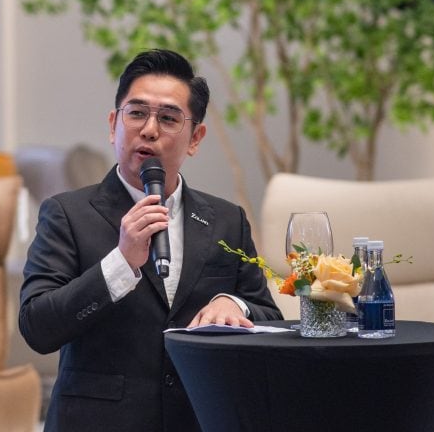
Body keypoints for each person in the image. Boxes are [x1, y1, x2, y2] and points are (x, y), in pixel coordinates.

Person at [20, 49, 282, 431]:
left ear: (195, 138)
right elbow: (37, 327)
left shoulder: (227, 220)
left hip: (197, 419)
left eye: (169, 118)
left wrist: (234, 303)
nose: (149, 129)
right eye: (137, 113)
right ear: (113, 125)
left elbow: (270, 318)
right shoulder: (66, 214)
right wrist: (121, 262)